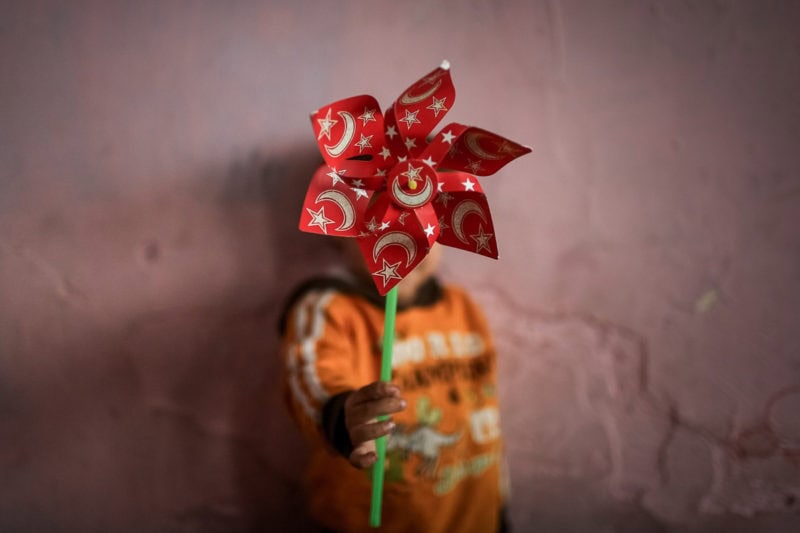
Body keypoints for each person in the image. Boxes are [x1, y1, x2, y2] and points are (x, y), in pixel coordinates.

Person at [279, 239, 508, 532]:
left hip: (476, 517)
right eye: (378, 229)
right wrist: (341, 414)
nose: (404, 242)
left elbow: (487, 407)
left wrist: (499, 503)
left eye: (421, 227)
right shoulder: (327, 309)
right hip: (368, 521)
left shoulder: (463, 307)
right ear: (340, 232)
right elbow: (310, 376)